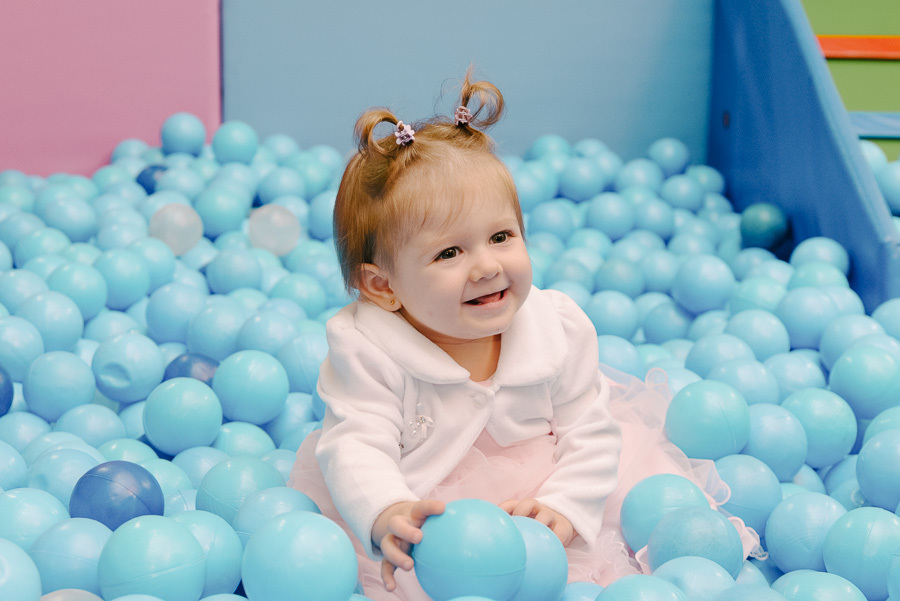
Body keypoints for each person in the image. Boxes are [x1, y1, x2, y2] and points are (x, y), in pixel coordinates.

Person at [289, 72, 757, 600]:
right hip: (435, 516)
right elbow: (358, 444)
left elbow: (590, 431)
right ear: (383, 286)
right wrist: (386, 511)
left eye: (501, 236)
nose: (487, 266)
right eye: (450, 253)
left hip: (542, 491)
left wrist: (564, 506)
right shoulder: (368, 349)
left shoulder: (555, 328)